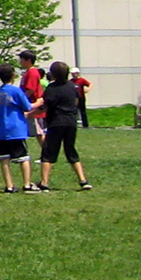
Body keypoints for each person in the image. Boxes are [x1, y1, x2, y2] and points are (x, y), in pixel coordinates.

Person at [36, 61, 93, 191]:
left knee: (48, 152)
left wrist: (28, 114)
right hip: (71, 122)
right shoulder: (72, 87)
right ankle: (83, 180)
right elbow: (77, 101)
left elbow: (45, 106)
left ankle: (44, 183)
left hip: (56, 122)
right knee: (70, 150)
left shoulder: (51, 88)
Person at [0, 63, 36, 193]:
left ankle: (9, 185)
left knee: (4, 159)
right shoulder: (16, 91)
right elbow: (27, 106)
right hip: (15, 130)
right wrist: (40, 102)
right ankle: (27, 184)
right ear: (13, 75)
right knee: (23, 157)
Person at [18, 50, 47, 143]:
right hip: (30, 105)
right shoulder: (28, 72)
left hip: (34, 106)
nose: (20, 62)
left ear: (28, 60)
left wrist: (22, 100)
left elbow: (30, 90)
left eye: (22, 59)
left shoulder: (32, 73)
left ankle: (47, 155)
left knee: (39, 133)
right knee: (37, 133)